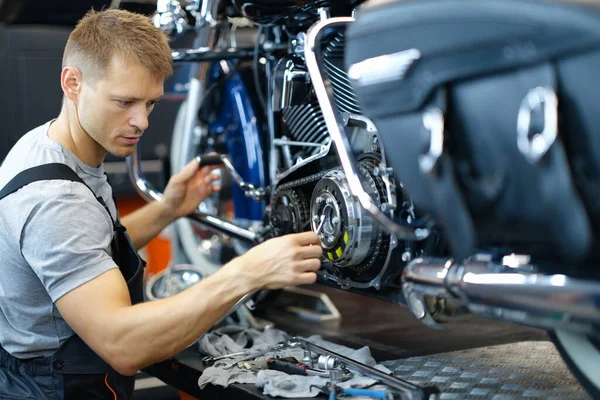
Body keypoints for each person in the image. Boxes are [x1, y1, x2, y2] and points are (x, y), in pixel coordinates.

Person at [0, 8, 322, 399]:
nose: (142, 122)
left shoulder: (50, 145)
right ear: (73, 83)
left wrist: (168, 208)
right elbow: (123, 346)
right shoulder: (55, 200)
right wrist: (246, 274)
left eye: (150, 103)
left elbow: (90, 248)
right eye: (124, 102)